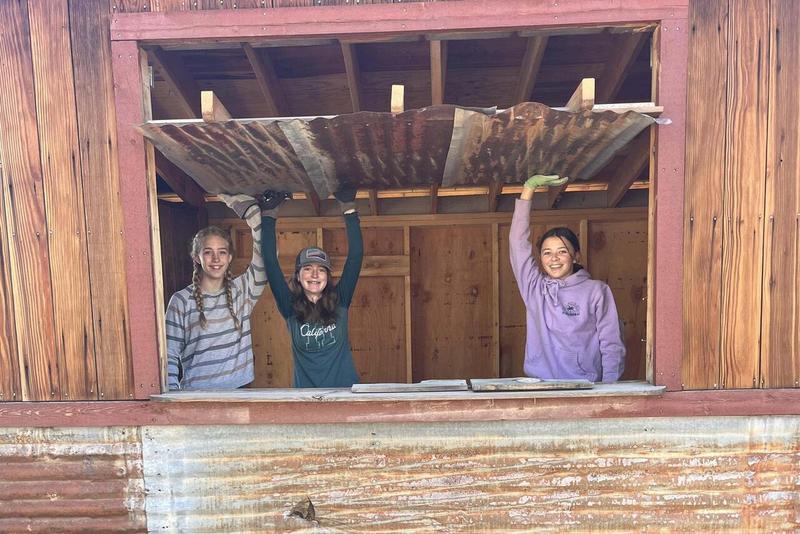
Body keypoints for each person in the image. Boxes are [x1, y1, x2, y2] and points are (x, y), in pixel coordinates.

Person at [509, 174, 625, 382]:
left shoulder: (596, 291)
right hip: (541, 386)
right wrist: (528, 190)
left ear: (575, 256)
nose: (554, 259)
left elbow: (611, 343)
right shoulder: (535, 288)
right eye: (547, 252)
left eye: (562, 251)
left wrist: (609, 387)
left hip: (585, 386)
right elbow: (518, 245)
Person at [260, 187, 363, 388]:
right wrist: (269, 214)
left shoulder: (340, 299)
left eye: (321, 270)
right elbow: (270, 262)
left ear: (327, 277)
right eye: (307, 269)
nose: (315, 275)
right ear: (298, 276)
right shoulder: (289, 305)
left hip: (345, 393)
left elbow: (356, 256)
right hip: (305, 396)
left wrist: (348, 208)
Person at [165, 194, 267, 390]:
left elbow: (266, 258)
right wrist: (174, 397)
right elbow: (169, 354)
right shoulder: (181, 301)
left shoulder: (242, 290)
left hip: (240, 391)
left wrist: (254, 218)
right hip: (197, 396)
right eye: (208, 252)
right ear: (196, 257)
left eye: (222, 252)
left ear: (229, 257)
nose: (216, 259)